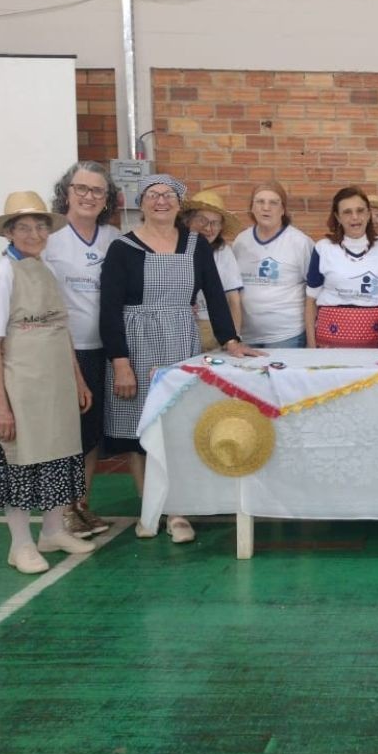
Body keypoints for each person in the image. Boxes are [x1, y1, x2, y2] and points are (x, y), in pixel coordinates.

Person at [100, 175, 262, 544]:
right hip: (136, 343)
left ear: (179, 204)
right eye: (152, 195)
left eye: (168, 195)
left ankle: (177, 511)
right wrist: (119, 361)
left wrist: (231, 340)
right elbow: (109, 309)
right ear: (141, 203)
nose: (161, 201)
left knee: (177, 425)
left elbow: (214, 294)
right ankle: (149, 509)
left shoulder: (195, 245)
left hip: (180, 341)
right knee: (140, 429)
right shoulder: (123, 248)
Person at [0, 191, 95, 574]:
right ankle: (21, 544)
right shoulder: (1, 274)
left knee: (59, 455)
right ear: (9, 232)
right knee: (21, 462)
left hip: (57, 382)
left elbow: (62, 329)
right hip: (23, 385)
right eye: (24, 227)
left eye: (40, 226)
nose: (33, 234)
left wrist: (77, 378)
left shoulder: (45, 267)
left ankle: (51, 531)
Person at [44, 160, 120, 538]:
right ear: (67, 192)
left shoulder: (113, 238)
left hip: (106, 349)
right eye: (82, 189)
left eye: (97, 191)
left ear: (107, 199)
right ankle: (62, 510)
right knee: (67, 432)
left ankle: (82, 505)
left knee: (92, 432)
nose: (89, 197)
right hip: (65, 352)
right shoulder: (49, 238)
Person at [306, 187, 378, 348]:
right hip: (329, 346)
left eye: (360, 211)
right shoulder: (323, 249)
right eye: (347, 212)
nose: (355, 217)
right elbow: (310, 300)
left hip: (377, 346)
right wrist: (311, 346)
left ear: (368, 214)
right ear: (337, 216)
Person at [230, 180, 314, 348]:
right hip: (247, 337)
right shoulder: (241, 241)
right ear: (252, 208)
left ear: (283, 209)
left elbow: (313, 292)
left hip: (287, 336)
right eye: (260, 202)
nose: (266, 208)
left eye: (273, 203)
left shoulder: (300, 242)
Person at [180, 188, 243, 352]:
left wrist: (234, 337)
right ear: (188, 220)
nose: (209, 228)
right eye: (202, 220)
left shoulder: (223, 252)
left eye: (215, 223)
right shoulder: (174, 248)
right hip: (181, 329)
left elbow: (233, 299)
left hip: (215, 330)